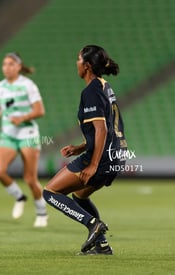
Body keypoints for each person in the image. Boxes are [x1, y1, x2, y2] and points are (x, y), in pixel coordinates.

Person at [43, 45, 127, 255]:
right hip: (117, 155)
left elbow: (101, 128)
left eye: (78, 59)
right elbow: (106, 127)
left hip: (102, 159)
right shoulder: (105, 86)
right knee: (79, 196)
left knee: (50, 192)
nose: (76, 63)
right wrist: (80, 147)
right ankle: (101, 245)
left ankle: (92, 224)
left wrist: (93, 164)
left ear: (87, 66)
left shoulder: (91, 91)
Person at [0, 53, 48, 227]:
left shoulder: (28, 85)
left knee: (30, 178)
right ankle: (19, 197)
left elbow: (40, 110)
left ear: (19, 67)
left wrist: (21, 118)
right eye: (4, 64)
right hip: (8, 134)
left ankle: (41, 213)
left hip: (27, 134)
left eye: (11, 64)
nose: (7, 67)